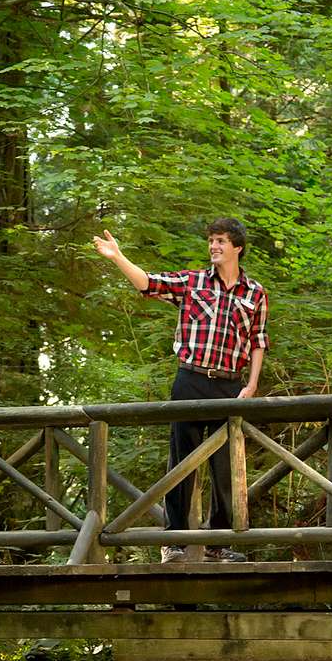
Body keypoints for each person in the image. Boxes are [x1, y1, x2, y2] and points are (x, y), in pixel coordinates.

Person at [93, 218, 268, 564]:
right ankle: (173, 541)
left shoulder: (255, 292)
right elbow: (148, 283)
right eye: (211, 241)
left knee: (225, 468)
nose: (214, 246)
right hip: (190, 379)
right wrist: (118, 257)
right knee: (182, 462)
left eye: (220, 241)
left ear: (237, 247)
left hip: (230, 384)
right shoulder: (193, 282)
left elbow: (259, 341)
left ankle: (218, 544)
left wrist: (251, 384)